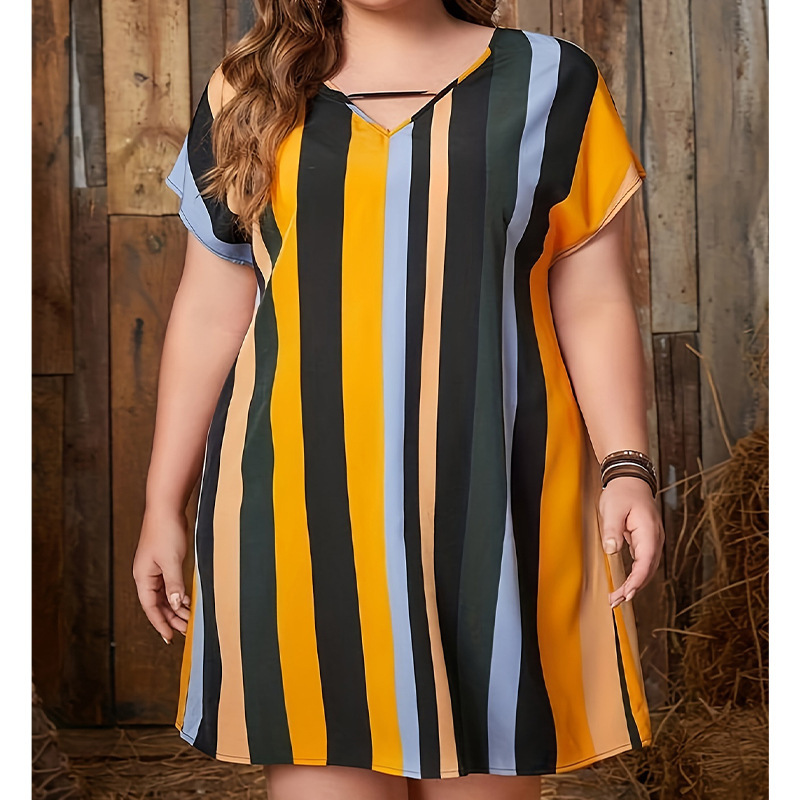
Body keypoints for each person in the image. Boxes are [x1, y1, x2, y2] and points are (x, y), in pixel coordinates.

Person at [133, 0, 665, 797]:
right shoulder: (247, 91)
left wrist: (627, 466)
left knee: (487, 765)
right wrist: (160, 504)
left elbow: (592, 299)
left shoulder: (553, 82)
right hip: (297, 511)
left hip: (498, 508)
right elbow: (211, 311)